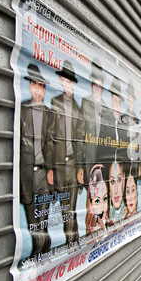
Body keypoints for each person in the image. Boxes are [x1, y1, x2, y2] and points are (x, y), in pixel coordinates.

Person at [50, 60, 85, 247]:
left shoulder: (78, 110)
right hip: (58, 165)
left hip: (72, 165)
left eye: (70, 82)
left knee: (69, 210)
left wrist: (80, 168)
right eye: (64, 81)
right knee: (65, 211)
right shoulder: (54, 103)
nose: (67, 85)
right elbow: (50, 137)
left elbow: (80, 143)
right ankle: (73, 243)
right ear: (61, 82)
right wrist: (50, 168)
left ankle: (73, 243)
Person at [20, 64, 53, 257]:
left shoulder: (49, 113)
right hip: (26, 174)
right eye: (35, 86)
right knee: (33, 220)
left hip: (43, 173)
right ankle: (39, 252)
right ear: (31, 87)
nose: (39, 90)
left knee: (43, 219)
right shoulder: (23, 111)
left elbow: (52, 144)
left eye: (42, 86)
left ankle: (41, 253)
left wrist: (51, 171)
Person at [81, 58, 107, 186]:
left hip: (102, 154)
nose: (97, 88)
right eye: (94, 84)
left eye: (99, 85)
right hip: (89, 154)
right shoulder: (86, 102)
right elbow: (81, 131)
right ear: (92, 86)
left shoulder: (106, 107)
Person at [85, 164, 110, 235]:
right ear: (90, 202)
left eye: (105, 199)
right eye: (97, 201)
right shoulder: (91, 225)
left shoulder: (109, 220)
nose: (102, 208)